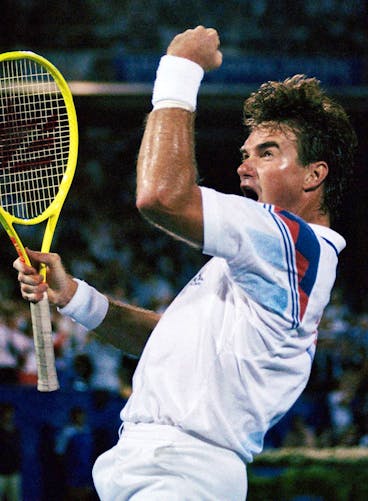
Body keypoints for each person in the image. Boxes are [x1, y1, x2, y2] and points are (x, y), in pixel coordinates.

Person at [13, 26, 357, 501]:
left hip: (181, 475)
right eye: (245, 154)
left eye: (267, 153)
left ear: (314, 176)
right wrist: (76, 298)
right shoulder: (264, 261)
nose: (244, 166)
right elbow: (167, 342)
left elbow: (161, 197)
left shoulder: (294, 245)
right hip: (150, 467)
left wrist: (179, 68)